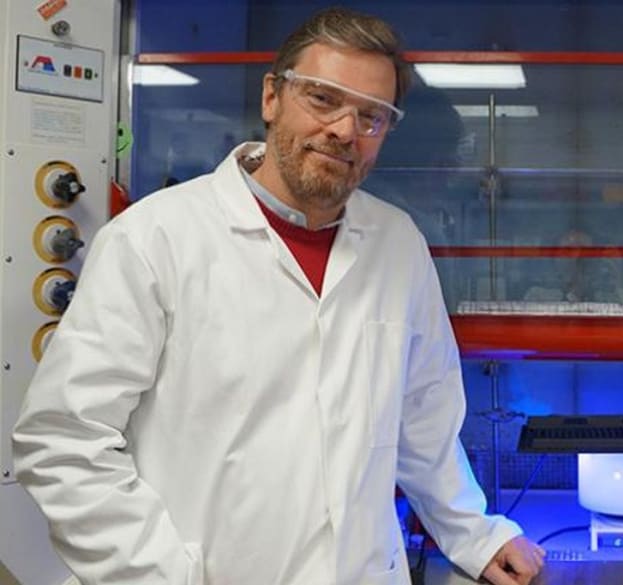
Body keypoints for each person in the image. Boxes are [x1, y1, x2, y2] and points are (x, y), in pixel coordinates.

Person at [12, 8, 544, 585]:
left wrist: (473, 532)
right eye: (322, 99)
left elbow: (424, 421)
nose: (345, 130)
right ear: (272, 96)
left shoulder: (397, 244)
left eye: (372, 116)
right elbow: (64, 439)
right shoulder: (153, 239)